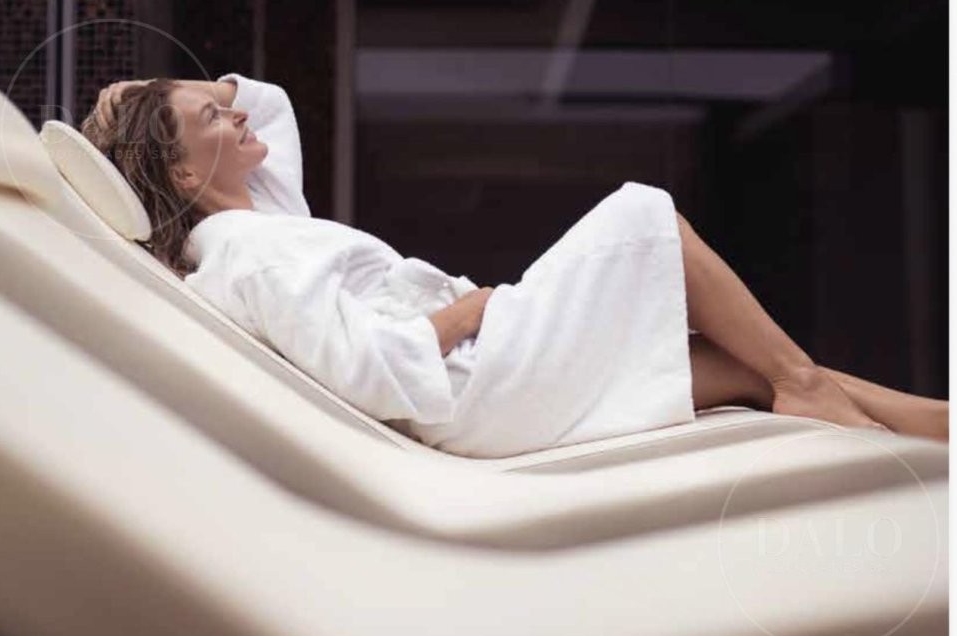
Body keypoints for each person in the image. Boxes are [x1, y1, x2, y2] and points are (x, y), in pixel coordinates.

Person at [80, 73, 949, 457]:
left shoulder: (256, 217)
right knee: (645, 216)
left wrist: (154, 102)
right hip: (473, 382)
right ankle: (804, 384)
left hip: (482, 373)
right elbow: (361, 369)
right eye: (211, 121)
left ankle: (928, 428)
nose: (233, 116)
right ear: (186, 176)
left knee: (733, 366)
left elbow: (264, 105)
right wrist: (468, 312)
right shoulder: (248, 253)